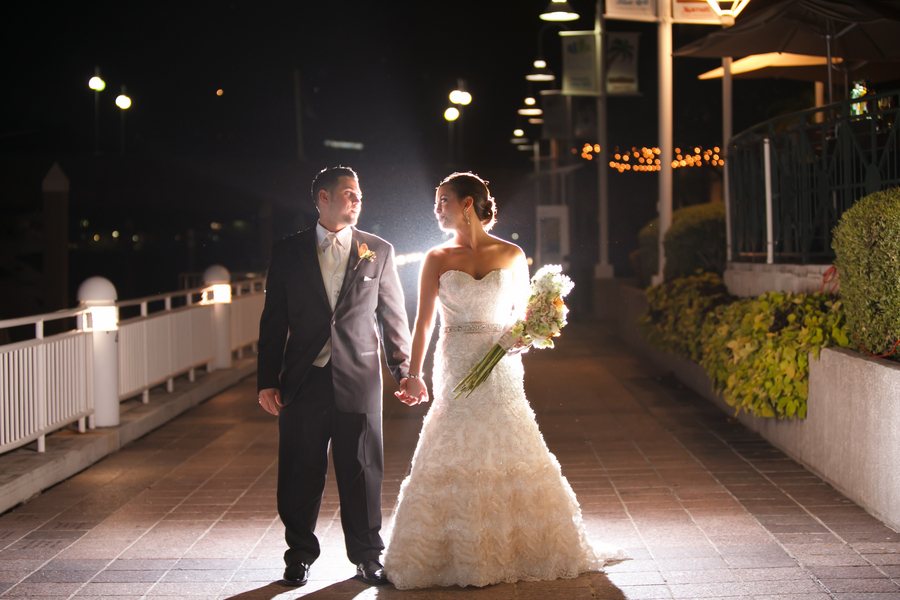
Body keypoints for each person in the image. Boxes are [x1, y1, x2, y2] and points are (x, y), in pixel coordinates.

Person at [383, 172, 625, 589]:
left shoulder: (512, 254)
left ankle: (523, 544)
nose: (436, 208)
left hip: (502, 364)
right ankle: (447, 550)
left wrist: (526, 336)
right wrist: (414, 373)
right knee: (452, 438)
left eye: (443, 200)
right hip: (456, 359)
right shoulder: (436, 257)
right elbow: (423, 322)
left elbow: (524, 314)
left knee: (511, 437)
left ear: (467, 204)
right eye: (436, 201)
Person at [257, 166, 425, 588]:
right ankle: (298, 555)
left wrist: (403, 372)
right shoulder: (288, 251)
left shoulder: (378, 250)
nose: (356, 201)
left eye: (359, 196)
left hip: (359, 377)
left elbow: (392, 317)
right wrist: (267, 379)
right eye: (348, 194)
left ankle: (368, 556)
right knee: (300, 469)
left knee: (363, 468)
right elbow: (273, 321)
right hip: (302, 379)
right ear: (322, 198)